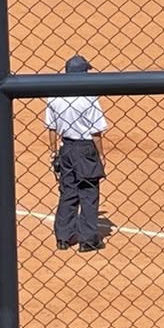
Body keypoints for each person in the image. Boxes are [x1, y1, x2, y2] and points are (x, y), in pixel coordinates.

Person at [44, 54, 108, 252]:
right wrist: (101, 155)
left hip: (66, 148)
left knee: (68, 192)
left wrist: (54, 151)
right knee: (88, 193)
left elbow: (52, 128)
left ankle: (63, 237)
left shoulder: (55, 95)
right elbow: (96, 131)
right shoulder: (88, 97)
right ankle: (88, 240)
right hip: (86, 148)